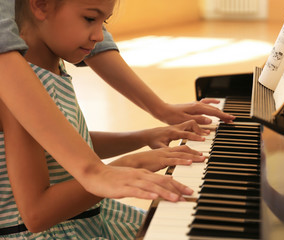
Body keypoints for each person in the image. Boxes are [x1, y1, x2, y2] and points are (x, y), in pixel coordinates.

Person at [0, 0, 213, 238]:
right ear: (40, 6)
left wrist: (144, 136)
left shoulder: (54, 69)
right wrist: (130, 164)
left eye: (105, 22)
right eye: (90, 19)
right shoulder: (19, 91)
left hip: (86, 217)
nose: (100, 36)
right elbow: (37, 215)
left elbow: (68, 145)